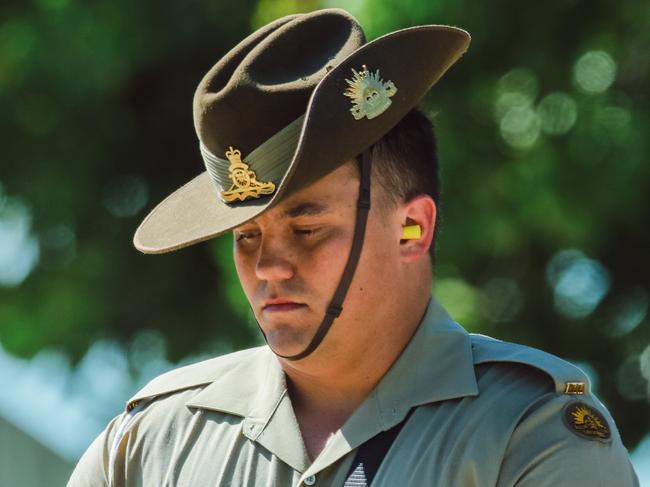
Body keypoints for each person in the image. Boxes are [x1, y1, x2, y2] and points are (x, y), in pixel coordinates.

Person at [68, 8, 639, 487]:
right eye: (246, 236)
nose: (268, 266)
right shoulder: (150, 442)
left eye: (307, 228)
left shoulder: (527, 431)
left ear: (412, 228)